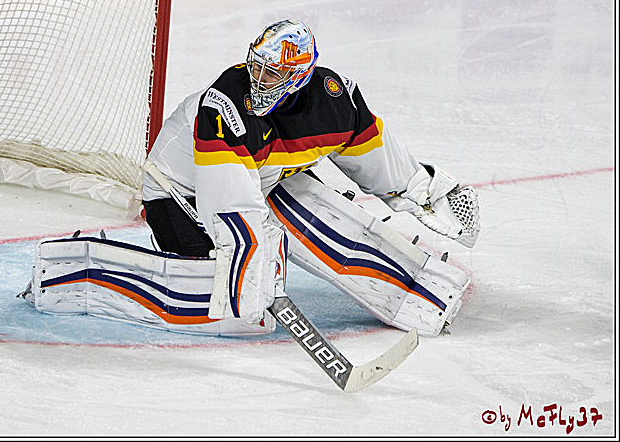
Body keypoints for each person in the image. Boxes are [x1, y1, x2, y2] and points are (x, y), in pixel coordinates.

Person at [139, 19, 479, 337]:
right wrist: (251, 256)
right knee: (228, 310)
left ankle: (428, 294)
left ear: (299, 76)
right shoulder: (226, 104)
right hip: (177, 190)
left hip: (262, 178)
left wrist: (426, 192)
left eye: (270, 72)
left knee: (332, 222)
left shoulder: (334, 102)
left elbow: (378, 159)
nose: (258, 78)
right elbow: (226, 197)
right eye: (255, 66)